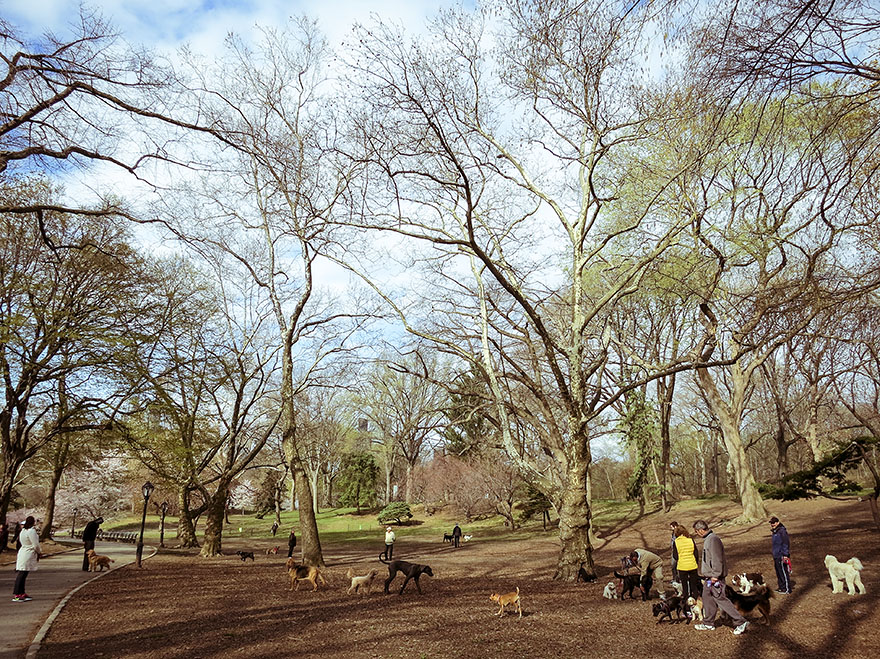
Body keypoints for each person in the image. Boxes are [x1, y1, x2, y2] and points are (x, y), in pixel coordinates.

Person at [692, 519, 749, 635]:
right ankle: (708, 623)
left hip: (715, 577)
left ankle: (740, 622)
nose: (696, 534)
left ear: (701, 530)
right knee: (706, 597)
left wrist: (715, 575)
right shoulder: (708, 539)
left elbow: (717, 559)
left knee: (720, 598)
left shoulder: (713, 540)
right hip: (709, 578)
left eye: (696, 532)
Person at [13, 516, 42, 602]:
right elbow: (35, 544)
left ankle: (22, 592)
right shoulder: (31, 531)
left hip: (23, 551)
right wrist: (39, 552)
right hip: (28, 553)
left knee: (23, 574)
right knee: (22, 574)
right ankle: (17, 594)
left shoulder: (23, 531)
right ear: (33, 522)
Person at [672, 525, 701, 605]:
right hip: (692, 565)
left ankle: (687, 606)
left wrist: (680, 559)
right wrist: (695, 562)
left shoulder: (676, 542)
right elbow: (696, 553)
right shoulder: (690, 540)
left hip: (682, 567)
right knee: (694, 586)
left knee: (685, 587)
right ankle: (697, 603)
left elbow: (675, 556)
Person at [769, 516, 792, 594]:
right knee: (778, 572)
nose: (773, 524)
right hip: (776, 555)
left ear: (778, 522)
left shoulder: (782, 531)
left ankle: (787, 589)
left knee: (783, 571)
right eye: (771, 523)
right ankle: (781, 587)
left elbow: (786, 543)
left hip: (781, 555)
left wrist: (785, 554)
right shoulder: (775, 532)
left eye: (774, 523)